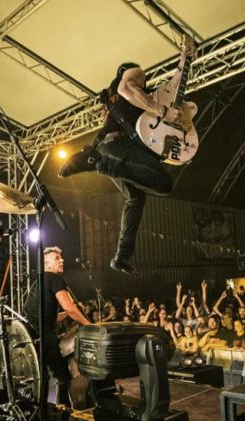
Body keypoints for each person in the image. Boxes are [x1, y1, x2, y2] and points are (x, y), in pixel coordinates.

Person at [58, 51, 195, 274]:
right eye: (141, 79)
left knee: (135, 198)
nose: (143, 80)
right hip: (115, 147)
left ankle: (121, 256)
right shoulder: (133, 74)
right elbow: (127, 88)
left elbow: (174, 86)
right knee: (164, 184)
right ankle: (98, 163)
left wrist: (185, 59)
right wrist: (161, 110)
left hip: (108, 146)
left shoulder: (129, 100)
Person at [23, 246, 91, 409]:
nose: (62, 261)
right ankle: (64, 413)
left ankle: (41, 412)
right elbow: (69, 308)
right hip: (45, 335)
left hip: (31, 336)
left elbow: (48, 316)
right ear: (46, 264)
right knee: (63, 375)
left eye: (61, 258)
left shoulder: (36, 283)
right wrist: (90, 325)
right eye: (57, 259)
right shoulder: (54, 279)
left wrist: (69, 314)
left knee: (42, 377)